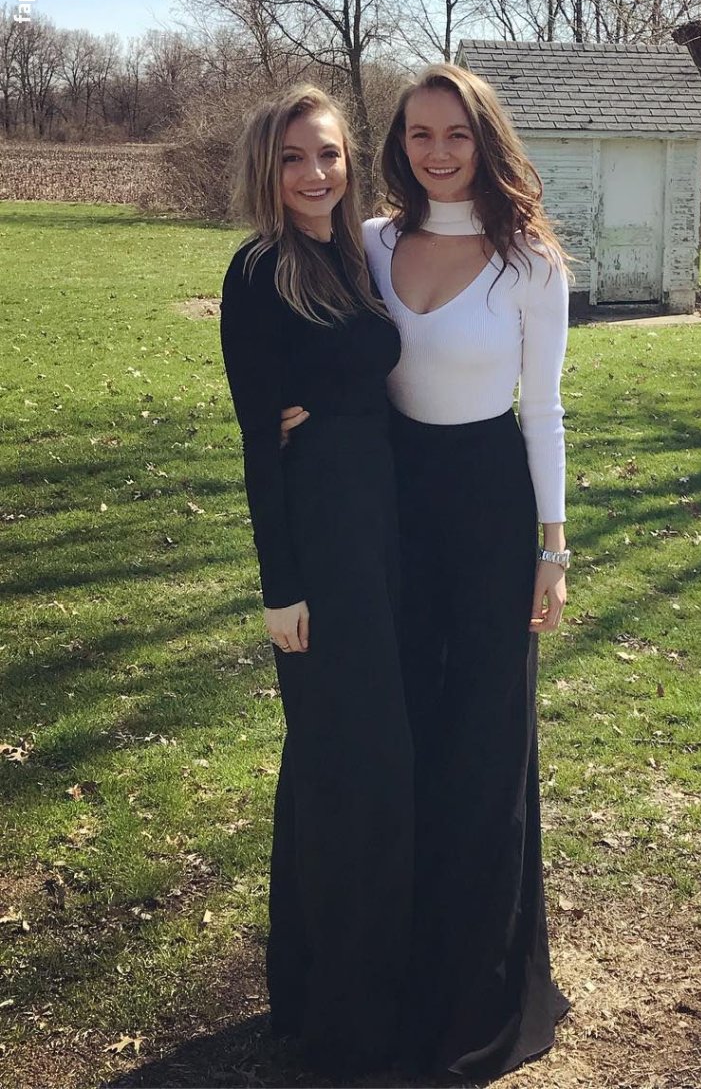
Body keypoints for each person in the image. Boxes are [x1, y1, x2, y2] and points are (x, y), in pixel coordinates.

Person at [281, 62, 572, 1083]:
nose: (437, 151)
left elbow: (544, 411)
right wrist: (293, 406)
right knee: (397, 738)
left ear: (484, 140)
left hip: (488, 511)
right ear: (396, 144)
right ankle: (384, 970)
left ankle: (474, 985)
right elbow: (323, 341)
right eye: (418, 134)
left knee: (481, 741)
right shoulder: (367, 242)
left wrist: (552, 549)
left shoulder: (529, 263)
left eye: (455, 133)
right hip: (387, 508)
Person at [218, 84, 414, 1080]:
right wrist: (279, 587)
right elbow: (260, 444)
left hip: (381, 531)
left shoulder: (357, 255)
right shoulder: (259, 270)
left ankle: (315, 981)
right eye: (293, 157)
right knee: (349, 768)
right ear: (269, 167)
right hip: (320, 550)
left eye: (328, 154)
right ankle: (344, 1012)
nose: (312, 173)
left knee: (346, 764)